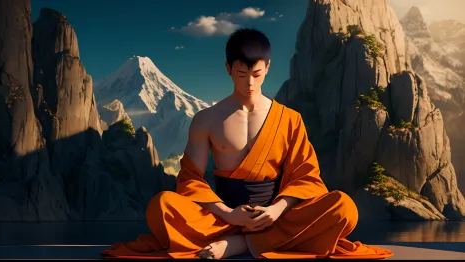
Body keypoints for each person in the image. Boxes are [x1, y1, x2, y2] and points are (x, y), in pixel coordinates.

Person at [100, 28, 393, 259]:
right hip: (223, 215)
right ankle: (252, 241)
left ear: (267, 67)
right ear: (228, 68)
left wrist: (277, 210)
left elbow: (305, 176)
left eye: (257, 74)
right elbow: (191, 178)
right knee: (161, 206)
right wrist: (229, 213)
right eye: (241, 74)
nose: (249, 84)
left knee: (344, 207)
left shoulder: (289, 118)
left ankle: (239, 245)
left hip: (277, 216)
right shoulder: (207, 119)